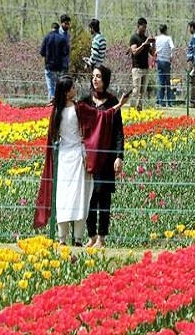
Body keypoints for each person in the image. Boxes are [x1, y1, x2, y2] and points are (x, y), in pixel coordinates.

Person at [34, 75, 129, 246]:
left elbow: (54, 137)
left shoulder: (56, 111)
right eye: (72, 87)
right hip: (78, 156)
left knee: (63, 196)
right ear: (67, 91)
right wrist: (119, 105)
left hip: (62, 157)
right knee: (80, 195)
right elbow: (102, 117)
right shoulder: (79, 109)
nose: (75, 89)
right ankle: (77, 238)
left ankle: (62, 237)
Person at [81, 67, 125, 247]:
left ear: (105, 79)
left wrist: (119, 156)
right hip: (88, 157)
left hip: (106, 158)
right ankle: (91, 235)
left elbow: (118, 133)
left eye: (98, 77)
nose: (95, 80)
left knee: (103, 197)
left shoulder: (112, 102)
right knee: (89, 197)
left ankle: (102, 237)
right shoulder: (85, 101)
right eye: (93, 77)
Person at [129, 17, 155, 111]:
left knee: (142, 91)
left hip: (145, 68)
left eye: (145, 27)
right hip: (137, 68)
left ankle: (139, 110)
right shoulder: (134, 38)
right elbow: (134, 52)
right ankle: (131, 110)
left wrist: (153, 43)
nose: (144, 29)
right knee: (136, 90)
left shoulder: (145, 38)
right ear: (138, 26)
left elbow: (152, 53)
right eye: (143, 27)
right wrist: (144, 44)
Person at [40, 22, 69, 101]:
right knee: (58, 85)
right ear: (58, 28)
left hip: (49, 66)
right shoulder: (62, 38)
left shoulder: (46, 37)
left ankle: (52, 97)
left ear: (51, 28)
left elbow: (42, 53)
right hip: (59, 67)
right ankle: (57, 100)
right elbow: (66, 52)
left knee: (50, 85)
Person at [154, 24, 175, 107]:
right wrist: (171, 55)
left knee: (161, 81)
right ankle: (169, 101)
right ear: (166, 30)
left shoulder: (157, 38)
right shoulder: (168, 38)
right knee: (167, 82)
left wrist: (155, 54)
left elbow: (152, 48)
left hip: (159, 61)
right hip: (166, 61)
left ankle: (160, 101)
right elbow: (172, 47)